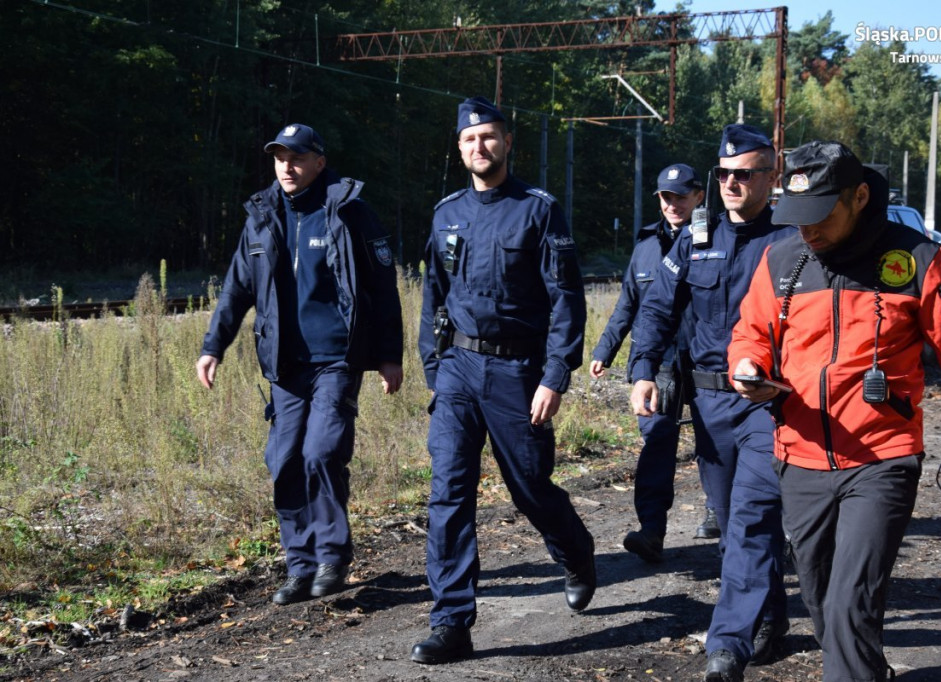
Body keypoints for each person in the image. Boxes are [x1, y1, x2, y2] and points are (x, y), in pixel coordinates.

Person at [729, 140, 941, 682]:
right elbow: (752, 333)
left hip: (883, 460)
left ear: (859, 196)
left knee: (848, 606)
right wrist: (747, 365)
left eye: (819, 215)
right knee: (822, 606)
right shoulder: (782, 258)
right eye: (797, 218)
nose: (806, 231)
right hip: (800, 458)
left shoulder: (920, 261)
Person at [412, 96, 595, 665]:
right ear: (459, 146)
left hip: (519, 372)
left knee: (530, 487)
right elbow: (432, 295)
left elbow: (568, 298)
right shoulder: (446, 212)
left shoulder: (538, 210)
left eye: (488, 137)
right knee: (449, 492)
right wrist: (433, 369)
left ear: (508, 142)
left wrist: (555, 375)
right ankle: (451, 622)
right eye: (469, 140)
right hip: (459, 371)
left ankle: (575, 550)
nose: (479, 147)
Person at [196, 123, 404, 606]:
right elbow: (236, 290)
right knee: (285, 460)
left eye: (296, 157)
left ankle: (332, 557)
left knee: (322, 453)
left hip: (337, 359)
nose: (286, 167)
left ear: (318, 162)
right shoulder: (262, 217)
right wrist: (213, 347)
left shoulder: (349, 212)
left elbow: (382, 289)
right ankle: (300, 563)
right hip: (285, 365)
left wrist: (389, 356)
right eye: (278, 158)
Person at [629, 124, 793, 681]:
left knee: (751, 518)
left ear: (772, 177)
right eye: (723, 174)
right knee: (732, 520)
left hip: (767, 405)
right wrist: (643, 369)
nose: (730, 183)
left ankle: (728, 645)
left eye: (743, 174)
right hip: (708, 403)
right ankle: (771, 618)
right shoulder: (696, 239)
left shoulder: (792, 243)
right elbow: (658, 308)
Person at [590, 163, 705, 562]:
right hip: (658, 364)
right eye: (666, 197)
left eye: (682, 196)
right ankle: (651, 530)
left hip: (707, 358)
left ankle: (717, 511)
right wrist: (605, 349)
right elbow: (628, 305)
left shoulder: (718, 241)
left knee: (715, 442)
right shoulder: (645, 247)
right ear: (659, 200)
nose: (674, 204)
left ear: (699, 197)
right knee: (657, 440)